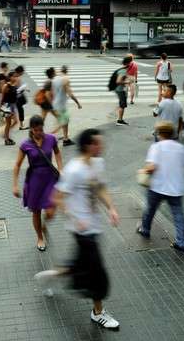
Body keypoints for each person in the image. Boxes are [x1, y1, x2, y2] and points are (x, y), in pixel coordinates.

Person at [34, 128, 120, 330]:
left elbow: (100, 187)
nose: (102, 146)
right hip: (81, 229)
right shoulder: (74, 170)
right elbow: (56, 198)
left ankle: (50, 277)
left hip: (95, 226)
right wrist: (74, 217)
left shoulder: (97, 163)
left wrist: (111, 208)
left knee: (80, 265)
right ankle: (98, 312)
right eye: (98, 143)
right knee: (97, 273)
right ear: (89, 146)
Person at [12, 115, 64, 251]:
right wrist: (15, 185)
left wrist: (61, 168)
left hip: (50, 178)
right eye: (36, 130)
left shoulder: (51, 139)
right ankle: (40, 237)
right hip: (34, 179)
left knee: (51, 211)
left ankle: (44, 224)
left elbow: (57, 154)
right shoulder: (26, 145)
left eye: (41, 130)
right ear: (31, 130)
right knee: (36, 212)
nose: (39, 133)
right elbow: (17, 164)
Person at [137, 121, 184, 253]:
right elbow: (183, 165)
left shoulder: (156, 147)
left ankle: (145, 229)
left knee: (150, 209)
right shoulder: (180, 148)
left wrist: (143, 171)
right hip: (176, 188)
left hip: (158, 186)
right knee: (178, 215)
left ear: (159, 133)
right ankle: (182, 242)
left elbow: (152, 167)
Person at [51, 65, 82, 145]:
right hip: (61, 104)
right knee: (64, 121)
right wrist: (77, 103)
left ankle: (64, 138)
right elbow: (70, 93)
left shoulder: (55, 78)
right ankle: (60, 138)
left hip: (55, 103)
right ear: (67, 71)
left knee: (63, 120)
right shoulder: (66, 79)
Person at [0, 71, 19, 146]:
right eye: (13, 76)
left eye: (16, 76)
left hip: (12, 106)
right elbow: (2, 97)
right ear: (10, 77)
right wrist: (0, 108)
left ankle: (6, 136)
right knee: (10, 123)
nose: (15, 78)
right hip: (7, 106)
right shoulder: (6, 86)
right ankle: (6, 137)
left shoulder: (14, 85)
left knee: (11, 122)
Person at [113, 56, 132, 126]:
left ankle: (120, 119)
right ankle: (119, 120)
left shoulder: (122, 69)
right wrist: (127, 82)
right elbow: (118, 81)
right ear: (127, 63)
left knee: (122, 104)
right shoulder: (123, 71)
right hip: (120, 90)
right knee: (122, 105)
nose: (130, 64)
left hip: (118, 89)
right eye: (130, 63)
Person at [14, 66, 28, 130]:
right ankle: (21, 125)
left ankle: (20, 124)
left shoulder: (13, 74)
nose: (23, 73)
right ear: (20, 72)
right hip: (16, 97)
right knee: (20, 110)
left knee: (17, 109)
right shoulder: (17, 78)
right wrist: (23, 88)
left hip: (14, 96)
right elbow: (16, 89)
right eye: (22, 72)